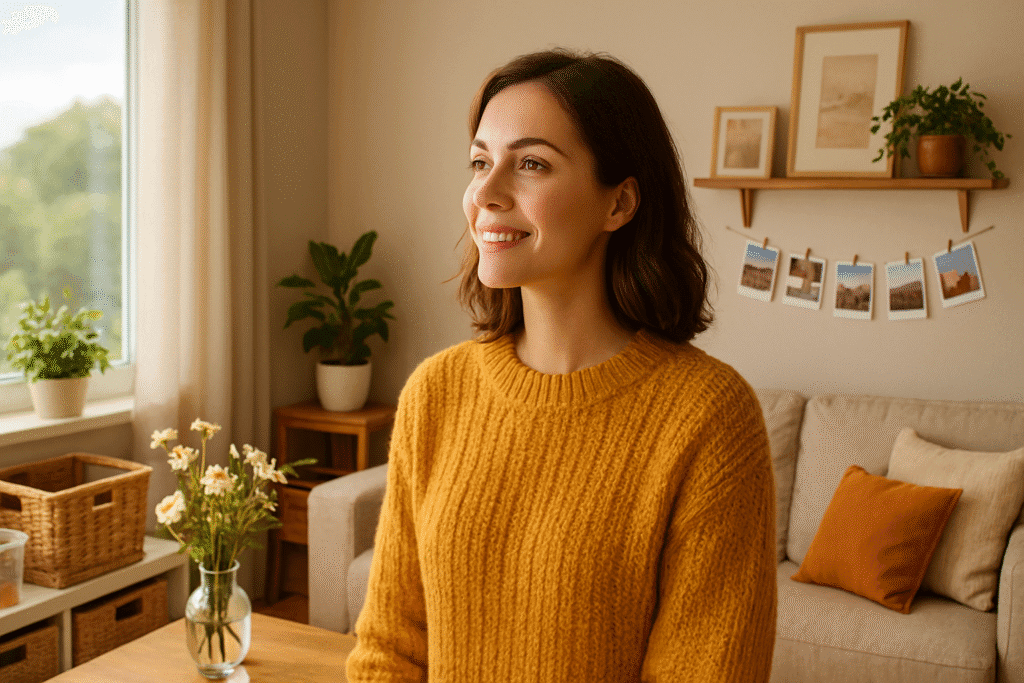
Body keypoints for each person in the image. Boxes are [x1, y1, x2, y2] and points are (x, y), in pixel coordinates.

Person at [345, 48, 776, 682]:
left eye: (532, 164)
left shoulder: (710, 416)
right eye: (480, 162)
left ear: (619, 204)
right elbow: (389, 649)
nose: (485, 195)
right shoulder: (435, 392)